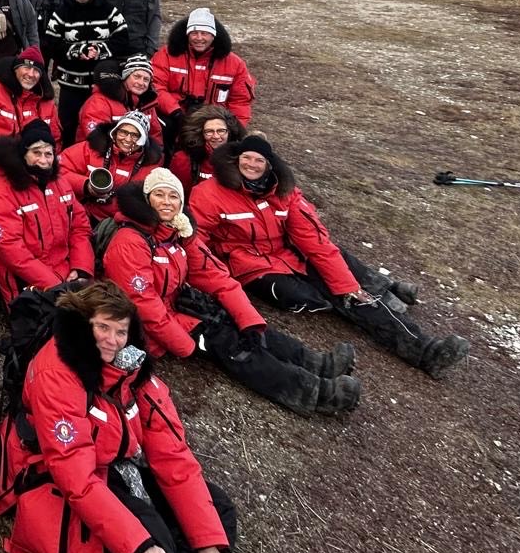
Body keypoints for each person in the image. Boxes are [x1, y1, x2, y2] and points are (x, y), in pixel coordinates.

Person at [0, 280, 236, 553]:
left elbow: (172, 454)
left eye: (120, 331)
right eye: (102, 328)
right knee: (149, 537)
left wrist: (206, 541)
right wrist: (138, 547)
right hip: (61, 476)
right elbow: (74, 475)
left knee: (218, 512)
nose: (112, 340)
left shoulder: (132, 369)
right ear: (82, 325)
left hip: (116, 464)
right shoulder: (57, 373)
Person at [190, 138, 470, 378]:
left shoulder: (284, 192)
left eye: (259, 160)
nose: (251, 165)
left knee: (349, 294)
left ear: (270, 165)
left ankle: (425, 349)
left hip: (290, 255)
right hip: (252, 268)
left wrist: (346, 285)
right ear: (236, 160)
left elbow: (315, 241)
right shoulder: (209, 194)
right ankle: (381, 300)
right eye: (246, 158)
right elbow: (196, 243)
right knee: (307, 297)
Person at [103, 170, 361, 417]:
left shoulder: (177, 232)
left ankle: (316, 363)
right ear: (147, 199)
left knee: (243, 326)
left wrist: (249, 320)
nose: (167, 202)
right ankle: (312, 394)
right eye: (159, 195)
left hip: (178, 307)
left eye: (174, 196)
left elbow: (215, 275)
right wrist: (185, 345)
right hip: (146, 328)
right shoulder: (130, 241)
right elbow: (142, 305)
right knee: (230, 343)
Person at [0, 121, 94, 304]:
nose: (43, 160)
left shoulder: (60, 183)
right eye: (36, 153)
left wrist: (81, 268)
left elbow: (80, 227)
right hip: (27, 277)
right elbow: (12, 250)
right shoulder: (2, 192)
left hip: (67, 271)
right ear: (23, 154)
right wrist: (56, 285)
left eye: (48, 153)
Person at [44, 0, 130, 143]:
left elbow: (122, 39)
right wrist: (77, 51)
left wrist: (99, 50)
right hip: (70, 85)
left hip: (100, 85)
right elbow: (51, 43)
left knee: (98, 128)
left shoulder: (109, 11)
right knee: (68, 127)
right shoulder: (61, 12)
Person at [151, 8, 255, 126]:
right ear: (187, 35)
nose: (199, 38)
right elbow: (156, 87)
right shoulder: (166, 55)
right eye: (194, 33)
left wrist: (235, 128)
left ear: (213, 35)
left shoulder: (235, 64)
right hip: (175, 117)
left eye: (204, 33)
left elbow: (240, 101)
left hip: (215, 123)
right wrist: (175, 111)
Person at [60, 111, 162, 218]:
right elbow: (59, 171)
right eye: (123, 132)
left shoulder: (150, 168)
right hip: (80, 212)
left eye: (135, 135)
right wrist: (86, 185)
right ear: (115, 132)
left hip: (116, 222)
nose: (127, 139)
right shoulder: (91, 148)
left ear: (143, 140)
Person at [77, 55, 178, 151]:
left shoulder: (148, 104)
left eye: (146, 79)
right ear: (125, 77)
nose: (141, 83)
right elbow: (96, 138)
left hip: (135, 157)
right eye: (137, 76)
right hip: (99, 156)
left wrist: (153, 159)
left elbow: (156, 137)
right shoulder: (99, 101)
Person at [0, 46, 61, 146]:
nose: (31, 74)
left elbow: (55, 141)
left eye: (36, 70)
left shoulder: (47, 105)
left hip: (34, 159)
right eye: (27, 68)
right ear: (15, 69)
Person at [166, 106, 245, 196]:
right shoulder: (184, 160)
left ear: (229, 132)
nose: (216, 136)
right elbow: (179, 194)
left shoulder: (241, 157)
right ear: (200, 133)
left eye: (221, 131)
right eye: (209, 131)